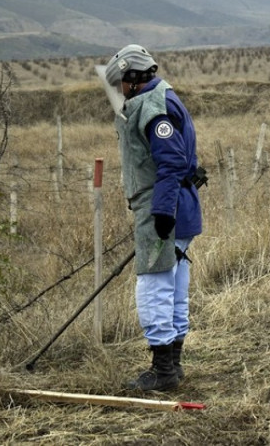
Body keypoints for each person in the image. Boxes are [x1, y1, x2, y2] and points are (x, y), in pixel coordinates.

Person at [104, 44, 203, 391]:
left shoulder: (152, 107)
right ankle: (172, 367)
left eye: (120, 83)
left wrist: (161, 212)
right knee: (174, 287)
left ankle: (162, 371)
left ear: (132, 78)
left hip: (163, 207)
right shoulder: (165, 97)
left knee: (154, 287)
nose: (118, 90)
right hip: (179, 204)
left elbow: (172, 161)